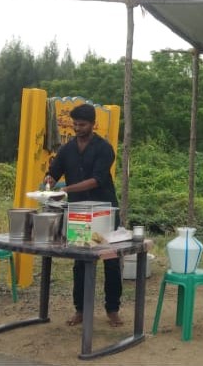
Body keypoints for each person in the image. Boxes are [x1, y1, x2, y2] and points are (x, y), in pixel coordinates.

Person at [44, 103, 123, 327]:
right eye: (75, 124)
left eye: (83, 124)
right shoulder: (67, 148)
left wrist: (66, 189)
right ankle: (80, 309)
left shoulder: (104, 148)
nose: (78, 128)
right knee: (80, 261)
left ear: (93, 124)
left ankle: (112, 309)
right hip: (79, 213)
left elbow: (98, 179)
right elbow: (54, 171)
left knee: (110, 260)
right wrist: (49, 179)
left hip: (104, 211)